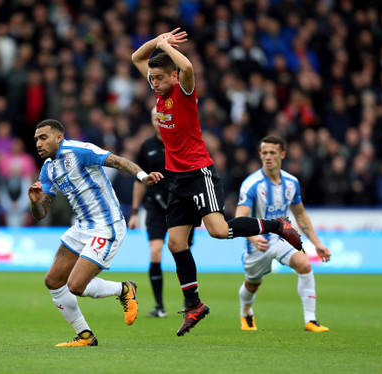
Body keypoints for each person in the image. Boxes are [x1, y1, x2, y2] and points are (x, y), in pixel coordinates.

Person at [131, 28, 302, 336]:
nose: (154, 83)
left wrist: (168, 48)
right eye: (151, 79)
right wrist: (157, 42)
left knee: (219, 231)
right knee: (175, 243)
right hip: (176, 179)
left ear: (172, 76)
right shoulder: (160, 88)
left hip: (200, 173)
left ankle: (277, 225)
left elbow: (188, 68)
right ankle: (194, 304)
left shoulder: (182, 91)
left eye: (159, 78)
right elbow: (136, 57)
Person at [28, 119, 163, 347]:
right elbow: (41, 213)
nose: (38, 144)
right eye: (36, 140)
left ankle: (124, 289)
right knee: (52, 281)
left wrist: (143, 177)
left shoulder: (80, 151)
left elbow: (118, 162)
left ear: (59, 137)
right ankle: (85, 336)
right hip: (82, 227)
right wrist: (34, 202)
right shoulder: (48, 168)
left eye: (43, 138)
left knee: (76, 286)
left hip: (106, 225)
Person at [236, 135, 331, 332]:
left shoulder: (291, 182)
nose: (268, 156)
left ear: (283, 154)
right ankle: (246, 312)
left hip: (282, 235)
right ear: (260, 154)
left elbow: (301, 215)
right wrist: (253, 237)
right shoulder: (251, 184)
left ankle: (310, 320)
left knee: (305, 264)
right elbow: (239, 218)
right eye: (264, 153)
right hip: (258, 241)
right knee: (252, 285)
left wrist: (317, 243)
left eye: (272, 152)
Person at [128, 106, 194, 318]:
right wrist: (135, 212)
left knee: (182, 253)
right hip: (155, 206)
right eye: (154, 118)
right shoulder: (147, 147)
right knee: (155, 252)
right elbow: (139, 180)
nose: (157, 121)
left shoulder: (181, 143)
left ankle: (190, 304)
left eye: (161, 118)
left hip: (182, 206)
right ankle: (159, 307)